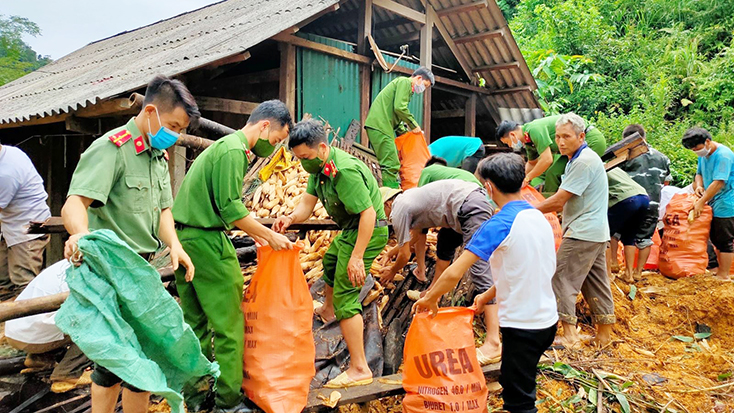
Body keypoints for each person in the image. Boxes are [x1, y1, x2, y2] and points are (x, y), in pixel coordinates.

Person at [61, 75, 197, 413]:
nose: (175, 136)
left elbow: (164, 210)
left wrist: (175, 246)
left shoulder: (155, 154)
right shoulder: (113, 149)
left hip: (145, 273)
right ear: (150, 111)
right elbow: (74, 203)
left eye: (180, 129)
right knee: (114, 364)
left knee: (145, 362)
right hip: (113, 272)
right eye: (173, 126)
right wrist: (79, 234)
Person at [172, 100, 294, 411]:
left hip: (185, 238)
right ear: (265, 126)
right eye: (278, 139)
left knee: (195, 324)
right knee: (229, 325)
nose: (275, 145)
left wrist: (257, 233)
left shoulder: (222, 149)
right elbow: (230, 208)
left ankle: (197, 397)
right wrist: (269, 235)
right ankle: (227, 400)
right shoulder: (232, 151)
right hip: (208, 242)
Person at [413, 153, 558, 413]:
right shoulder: (538, 216)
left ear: (489, 187)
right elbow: (525, 268)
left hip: (523, 325)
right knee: (518, 380)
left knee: (519, 401)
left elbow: (455, 272)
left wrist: (430, 297)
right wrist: (490, 292)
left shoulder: (499, 224)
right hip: (546, 320)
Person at [273, 119, 388, 388]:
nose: (303, 163)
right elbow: (306, 206)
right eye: (299, 158)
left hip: (367, 230)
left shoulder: (344, 171)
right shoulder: (318, 169)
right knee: (331, 261)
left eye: (306, 157)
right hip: (349, 230)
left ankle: (360, 368)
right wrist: (289, 218)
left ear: (322, 148)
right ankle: (327, 310)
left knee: (347, 290)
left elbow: (368, 214)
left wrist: (358, 257)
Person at [379, 180, 501, 364]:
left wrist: (392, 271)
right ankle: (432, 294)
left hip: (469, 207)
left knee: (479, 269)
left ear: (388, 203)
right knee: (445, 242)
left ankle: (493, 341)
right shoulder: (410, 199)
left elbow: (405, 255)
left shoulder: (398, 209)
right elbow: (414, 238)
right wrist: (392, 251)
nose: (386, 217)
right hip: (462, 208)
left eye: (384, 211)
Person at [535, 113, 615, 348]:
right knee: (597, 282)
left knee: (560, 278)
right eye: (557, 136)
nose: (560, 142)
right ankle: (604, 336)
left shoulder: (583, 161)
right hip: (596, 232)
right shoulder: (577, 159)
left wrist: (525, 210)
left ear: (581, 136)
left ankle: (569, 336)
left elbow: (559, 201)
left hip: (582, 232)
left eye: (566, 136)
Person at [6, 259, 93, 393]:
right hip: (34, 335)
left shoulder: (70, 260)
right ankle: (68, 373)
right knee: (101, 326)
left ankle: (39, 358)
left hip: (16, 330)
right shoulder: (90, 272)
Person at [610, 124, 670, 274]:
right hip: (652, 203)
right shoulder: (662, 157)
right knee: (645, 238)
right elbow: (666, 182)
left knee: (615, 234)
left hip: (628, 200)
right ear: (644, 137)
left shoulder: (624, 156)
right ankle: (637, 272)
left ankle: (613, 263)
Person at [496, 114, 606, 193]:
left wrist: (527, 178)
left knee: (554, 173)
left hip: (591, 140)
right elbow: (532, 163)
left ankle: (552, 207)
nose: (510, 146)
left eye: (507, 142)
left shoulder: (534, 129)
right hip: (572, 149)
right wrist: (518, 179)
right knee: (553, 173)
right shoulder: (528, 141)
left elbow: (547, 160)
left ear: (512, 135)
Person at [365, 67, 434, 189]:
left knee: (391, 161)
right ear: (418, 78)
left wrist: (405, 133)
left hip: (381, 126)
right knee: (391, 164)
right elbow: (399, 108)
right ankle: (390, 198)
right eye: (425, 85)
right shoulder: (405, 82)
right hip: (380, 126)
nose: (423, 89)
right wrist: (414, 125)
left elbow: (397, 117)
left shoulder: (405, 87)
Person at [682, 127, 734, 280]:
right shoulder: (703, 155)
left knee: (725, 239)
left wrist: (701, 201)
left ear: (707, 142)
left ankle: (725, 274)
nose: (696, 151)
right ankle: (721, 271)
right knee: (717, 238)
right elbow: (698, 174)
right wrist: (699, 186)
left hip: (727, 202)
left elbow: (719, 182)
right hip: (713, 200)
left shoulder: (723, 155)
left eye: (697, 148)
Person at [0, 142, 51, 290]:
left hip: (27, 228)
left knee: (24, 282)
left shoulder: (6, 174)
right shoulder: (10, 152)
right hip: (10, 224)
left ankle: (31, 313)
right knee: (3, 282)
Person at [605, 168, 651, 283]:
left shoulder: (592, 168)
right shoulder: (615, 167)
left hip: (625, 198)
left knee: (604, 234)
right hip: (643, 197)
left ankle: (607, 274)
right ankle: (629, 274)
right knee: (630, 237)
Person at [418, 156, 482, 187]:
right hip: (477, 185)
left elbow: (419, 193)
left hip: (462, 185)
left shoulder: (428, 170)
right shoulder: (448, 172)